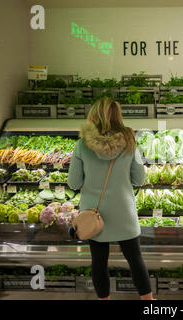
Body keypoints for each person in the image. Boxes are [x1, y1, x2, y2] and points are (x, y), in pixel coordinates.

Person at [67, 97, 154, 300]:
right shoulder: (130, 141)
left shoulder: (81, 145)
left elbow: (73, 183)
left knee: (99, 262)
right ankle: (149, 302)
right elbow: (140, 179)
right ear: (118, 116)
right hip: (124, 211)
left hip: (93, 213)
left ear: (93, 115)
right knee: (135, 258)